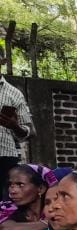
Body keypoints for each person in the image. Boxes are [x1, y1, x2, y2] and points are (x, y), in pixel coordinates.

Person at [0, 165, 57, 230]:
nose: (12, 191)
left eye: (20, 185)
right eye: (10, 185)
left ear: (41, 189)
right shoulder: (5, 209)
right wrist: (49, 224)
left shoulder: (53, 211)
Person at [0, 64, 36, 197]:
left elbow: (31, 131)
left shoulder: (14, 93)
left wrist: (14, 126)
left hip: (4, 157)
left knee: (4, 203)